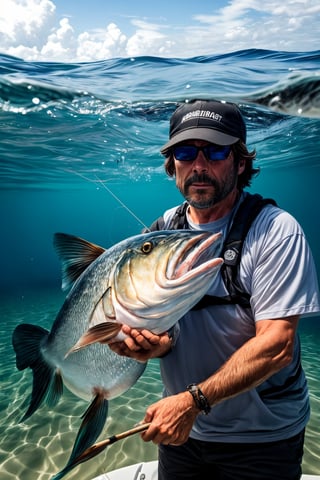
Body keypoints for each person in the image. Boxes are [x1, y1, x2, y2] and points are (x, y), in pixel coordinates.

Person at [109, 99, 320, 479]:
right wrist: (155, 344)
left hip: (263, 438)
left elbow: (277, 346)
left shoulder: (275, 231)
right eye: (186, 152)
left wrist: (193, 401)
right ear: (172, 164)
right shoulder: (156, 236)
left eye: (217, 151)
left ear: (240, 162)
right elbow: (160, 326)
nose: (199, 166)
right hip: (183, 434)